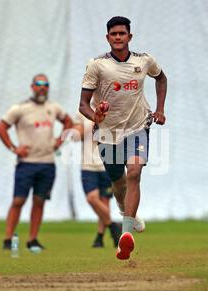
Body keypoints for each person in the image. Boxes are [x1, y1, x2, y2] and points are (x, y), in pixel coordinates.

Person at [79, 16, 167, 260]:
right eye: (113, 34)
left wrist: (159, 109)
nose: (118, 37)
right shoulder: (97, 65)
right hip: (108, 132)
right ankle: (126, 211)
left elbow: (161, 78)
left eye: (122, 33)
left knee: (134, 173)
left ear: (130, 36)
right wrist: (96, 116)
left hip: (138, 127)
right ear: (107, 38)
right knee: (118, 183)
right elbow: (83, 105)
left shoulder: (144, 60)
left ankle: (125, 237)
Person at [0, 74, 72, 253]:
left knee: (39, 202)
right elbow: (1, 127)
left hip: (47, 163)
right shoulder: (21, 108)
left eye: (46, 85)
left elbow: (68, 121)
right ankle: (8, 239)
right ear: (32, 87)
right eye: (39, 84)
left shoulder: (53, 107)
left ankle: (33, 240)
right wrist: (14, 148)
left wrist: (59, 141)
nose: (42, 88)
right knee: (18, 201)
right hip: (26, 163)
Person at [73, 112, 121, 248]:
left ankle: (99, 237)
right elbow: (76, 136)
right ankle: (113, 226)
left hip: (106, 163)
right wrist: (81, 129)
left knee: (104, 202)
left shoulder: (112, 110)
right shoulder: (82, 113)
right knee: (92, 198)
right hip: (88, 165)